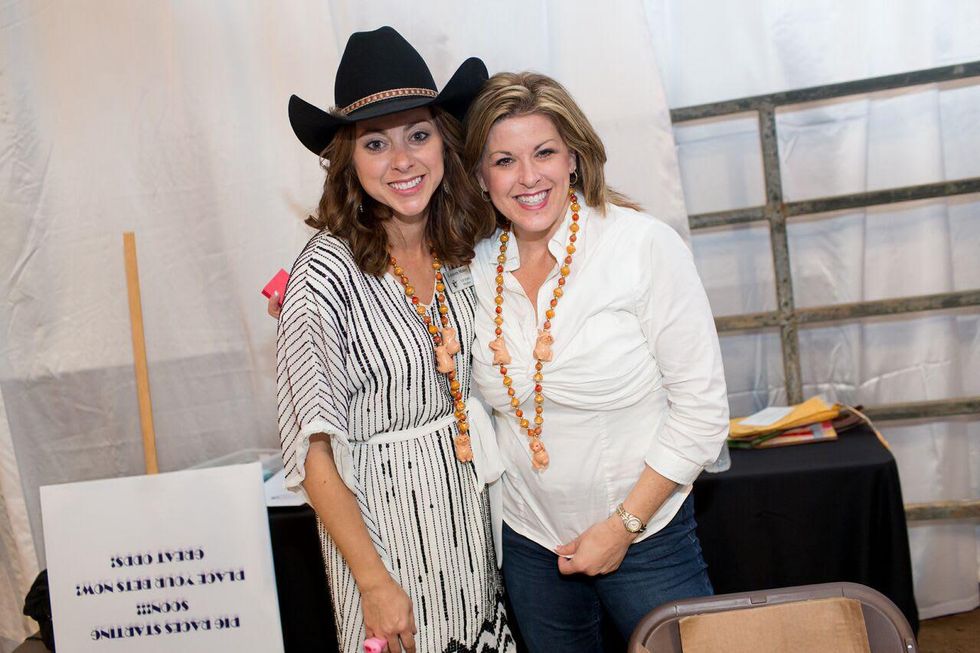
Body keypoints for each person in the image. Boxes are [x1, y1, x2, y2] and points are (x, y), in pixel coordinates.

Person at [461, 72, 730, 651]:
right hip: (529, 543)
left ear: (575, 158)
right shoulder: (472, 269)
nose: (528, 177)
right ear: (481, 177)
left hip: (645, 537)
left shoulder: (642, 247)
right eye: (504, 160)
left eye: (545, 153)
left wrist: (622, 527)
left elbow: (702, 413)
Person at [277, 27, 515, 653]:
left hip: (468, 529)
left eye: (418, 134)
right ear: (348, 161)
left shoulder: (459, 250)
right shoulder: (324, 272)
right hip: (384, 538)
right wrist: (373, 580)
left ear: (444, 141)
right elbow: (309, 451)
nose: (403, 160)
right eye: (375, 143)